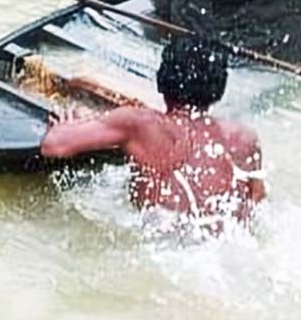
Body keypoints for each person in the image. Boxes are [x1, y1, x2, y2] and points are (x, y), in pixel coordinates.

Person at [41, 35, 265, 234]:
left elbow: (54, 146)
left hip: (166, 240)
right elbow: (256, 199)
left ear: (161, 81)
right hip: (228, 244)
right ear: (219, 89)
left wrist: (64, 125)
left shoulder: (140, 123)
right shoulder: (243, 137)